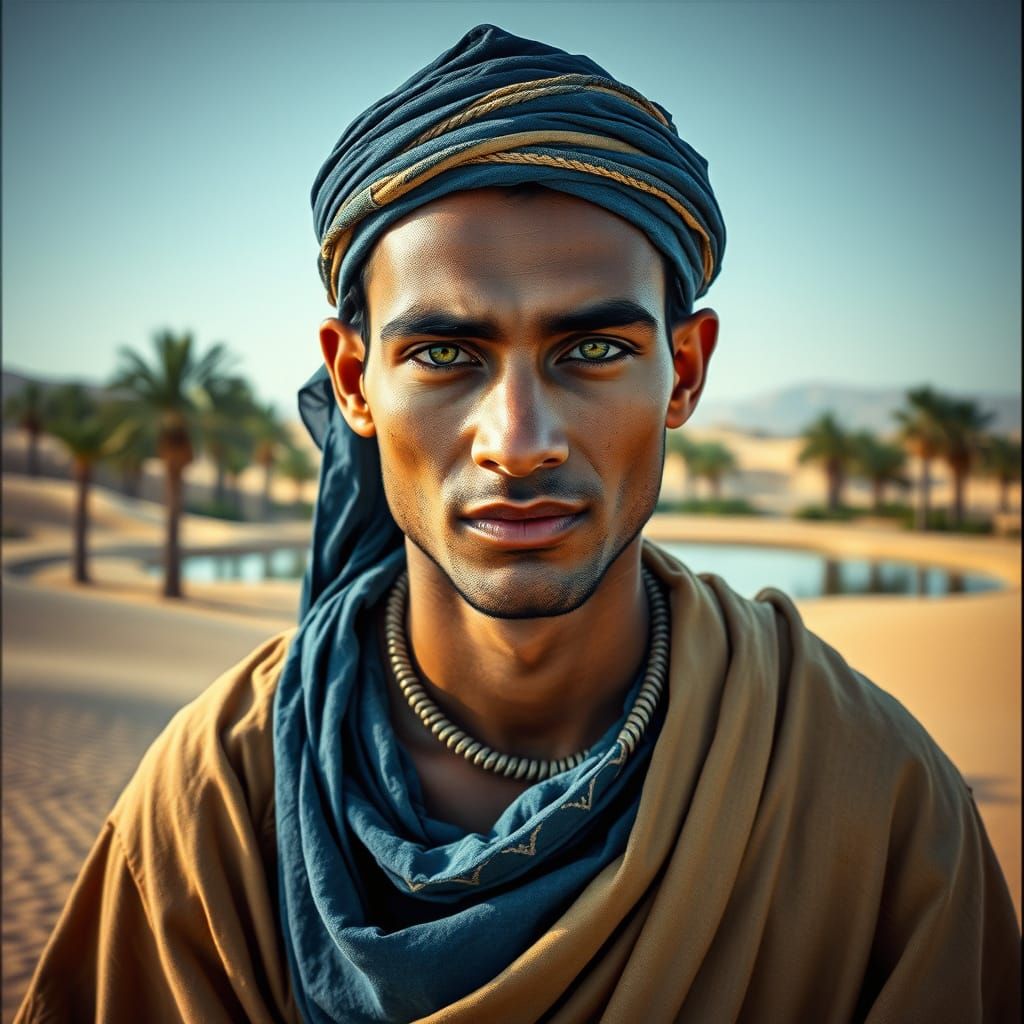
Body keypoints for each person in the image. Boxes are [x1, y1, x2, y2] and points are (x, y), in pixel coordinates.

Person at [16, 23, 1020, 1024]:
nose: (519, 440)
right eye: (447, 355)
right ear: (355, 380)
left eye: (590, 350)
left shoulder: (864, 795)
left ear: (685, 370)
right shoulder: (213, 802)